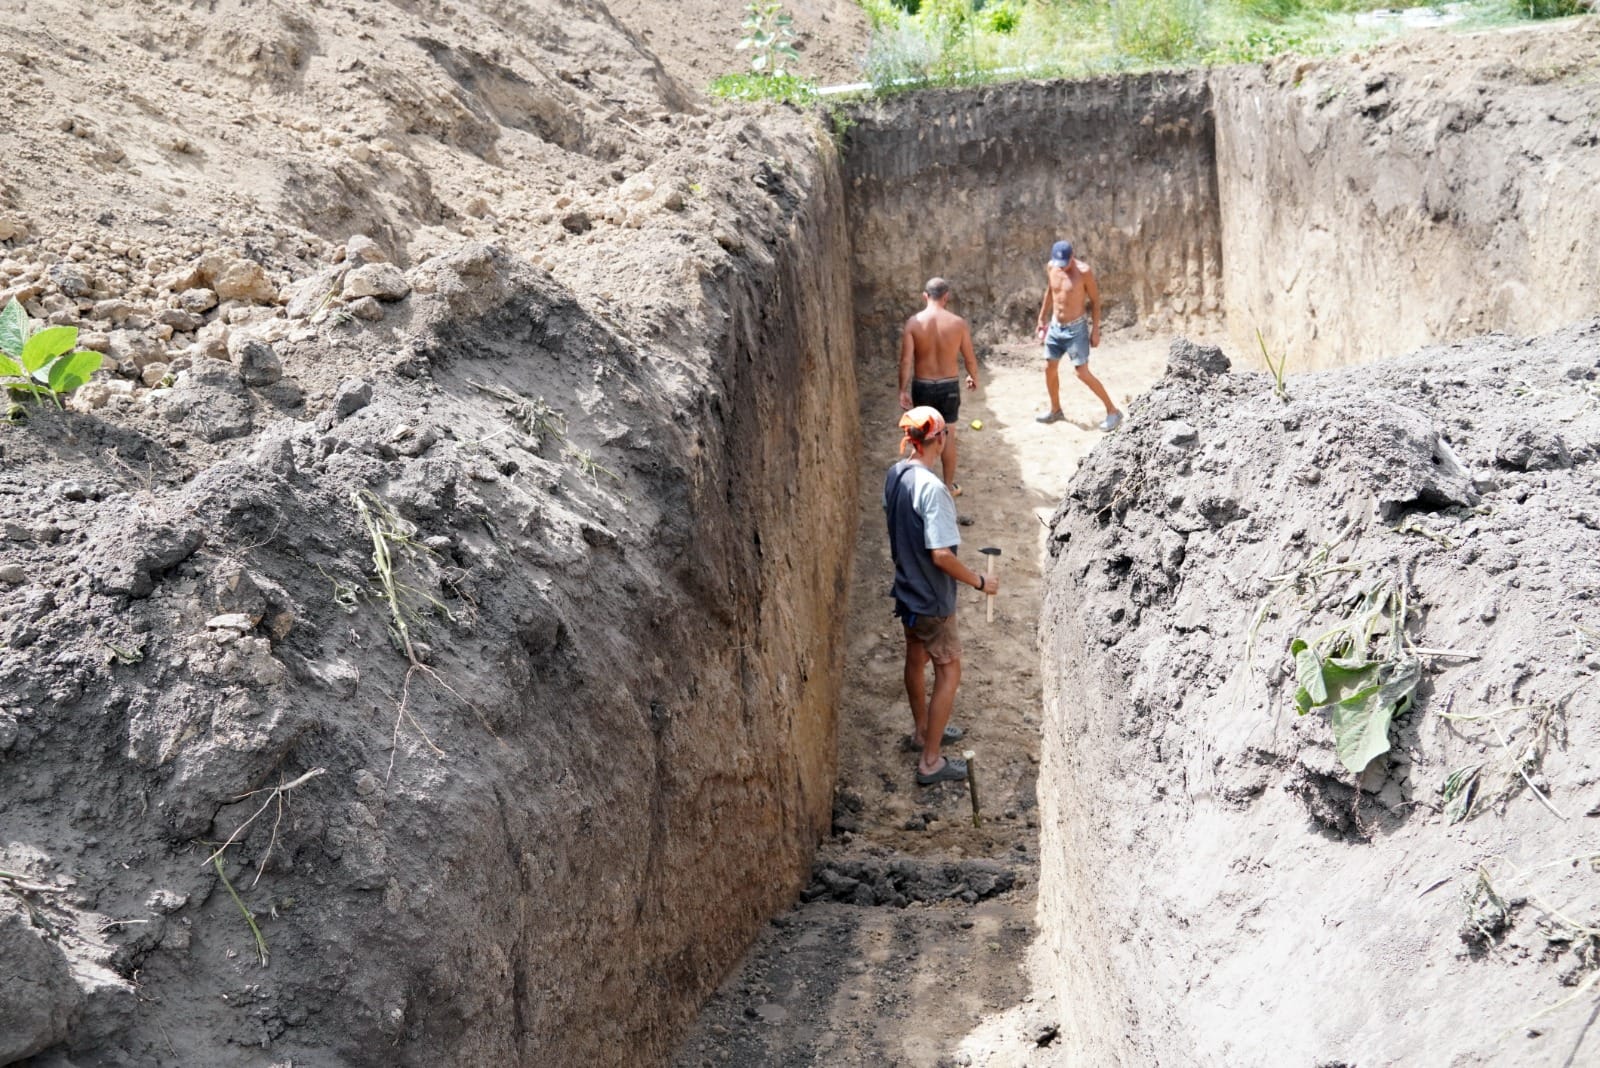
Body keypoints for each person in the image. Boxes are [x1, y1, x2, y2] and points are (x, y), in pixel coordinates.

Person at [884, 406, 999, 785]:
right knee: (949, 670)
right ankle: (930, 761)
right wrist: (980, 582)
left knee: (915, 657)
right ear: (939, 439)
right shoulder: (932, 490)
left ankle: (922, 732)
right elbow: (942, 555)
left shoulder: (896, 473)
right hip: (932, 599)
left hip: (907, 589)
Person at [899, 277, 979, 497]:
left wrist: (902, 390)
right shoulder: (958, 323)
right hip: (949, 387)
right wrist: (973, 376)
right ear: (946, 297)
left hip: (922, 385)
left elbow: (906, 361)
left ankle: (920, 483)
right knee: (948, 435)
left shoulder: (913, 323)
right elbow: (969, 358)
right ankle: (948, 486)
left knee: (923, 433)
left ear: (925, 296)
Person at [1034, 239, 1121, 431]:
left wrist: (1096, 329)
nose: (1062, 268)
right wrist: (1041, 318)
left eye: (1065, 264)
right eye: (1059, 264)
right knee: (1049, 368)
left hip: (1076, 329)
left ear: (1072, 257)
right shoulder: (1052, 267)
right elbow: (1050, 292)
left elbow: (1096, 302)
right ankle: (1056, 410)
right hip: (1056, 327)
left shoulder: (1084, 272)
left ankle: (1113, 411)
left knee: (1082, 373)